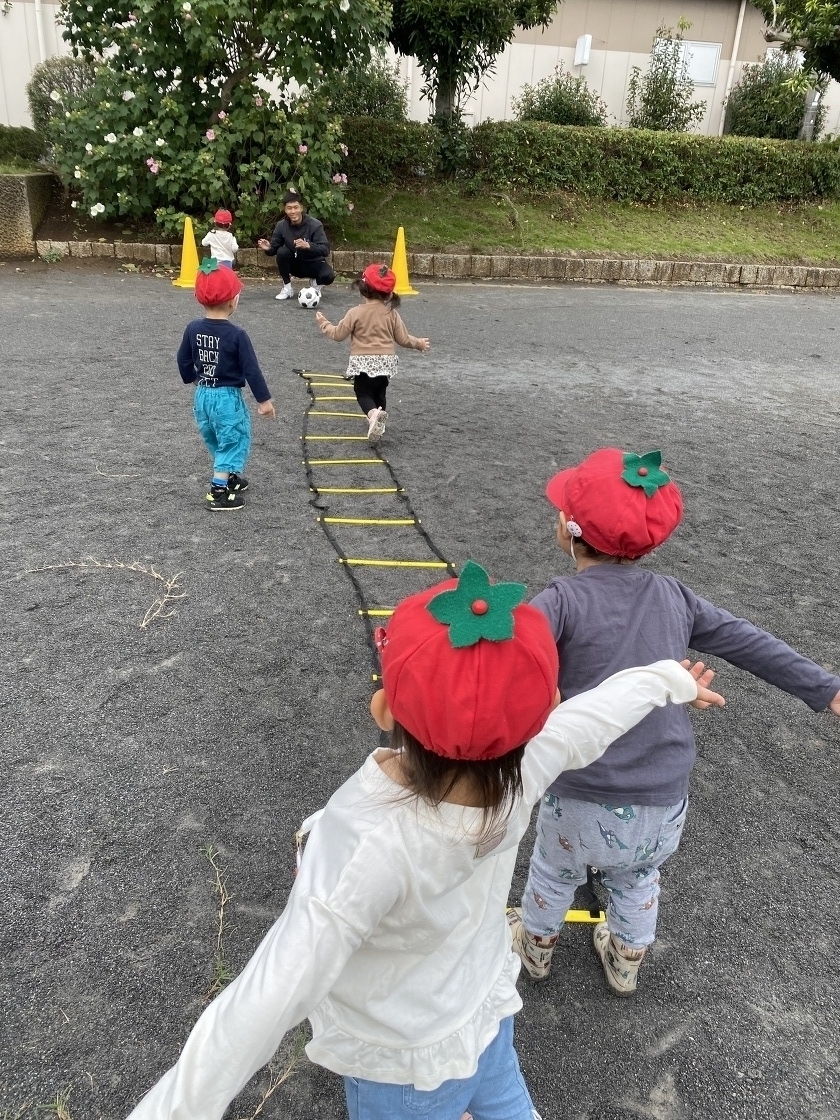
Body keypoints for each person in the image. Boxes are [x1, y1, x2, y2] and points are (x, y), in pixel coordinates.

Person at [123, 560, 721, 1120]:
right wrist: (665, 679)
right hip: (484, 1010)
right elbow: (590, 719)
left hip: (405, 1063)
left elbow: (264, 999)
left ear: (384, 708)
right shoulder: (528, 768)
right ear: (544, 711)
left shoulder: (366, 844)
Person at [508, 447, 840, 996]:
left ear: (569, 529)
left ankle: (536, 950)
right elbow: (747, 641)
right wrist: (826, 688)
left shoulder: (560, 600)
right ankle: (625, 961)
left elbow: (507, 653)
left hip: (580, 786)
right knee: (638, 877)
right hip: (662, 793)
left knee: (553, 871)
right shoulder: (673, 595)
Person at [176, 259, 275, 511]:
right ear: (233, 301)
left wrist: (192, 378)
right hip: (226, 398)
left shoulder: (193, 328)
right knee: (232, 439)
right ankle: (218, 493)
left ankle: (229, 476)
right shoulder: (237, 335)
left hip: (202, 395)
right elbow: (252, 370)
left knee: (216, 437)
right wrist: (264, 401)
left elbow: (183, 358)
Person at [315, 263, 429, 444]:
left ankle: (373, 414)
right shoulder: (392, 314)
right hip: (386, 362)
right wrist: (418, 344)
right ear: (389, 294)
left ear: (363, 288)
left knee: (362, 392)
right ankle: (378, 420)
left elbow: (338, 335)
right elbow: (403, 339)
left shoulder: (355, 313)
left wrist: (324, 324)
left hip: (364, 362)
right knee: (379, 392)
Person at [257, 189, 335, 301]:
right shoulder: (281, 226)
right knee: (282, 251)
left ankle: (315, 285)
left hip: (313, 263)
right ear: (285, 210)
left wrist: (308, 245)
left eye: (296, 207)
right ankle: (287, 288)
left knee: (329, 276)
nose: (293, 211)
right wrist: (268, 248)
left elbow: (325, 249)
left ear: (301, 208)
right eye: (289, 208)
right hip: (294, 265)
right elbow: (274, 249)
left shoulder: (315, 225)